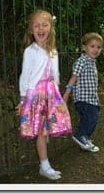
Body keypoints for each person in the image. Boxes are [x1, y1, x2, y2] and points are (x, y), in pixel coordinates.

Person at [16, 9, 72, 180]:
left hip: (51, 95)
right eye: (37, 25)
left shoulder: (53, 50)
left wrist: (58, 96)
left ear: (50, 28)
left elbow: (55, 74)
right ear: (31, 30)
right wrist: (23, 99)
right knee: (41, 131)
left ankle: (44, 160)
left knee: (47, 130)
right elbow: (25, 76)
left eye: (44, 25)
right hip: (36, 97)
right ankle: (44, 165)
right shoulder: (30, 51)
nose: (41, 28)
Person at [63, 32, 103, 153]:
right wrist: (66, 94)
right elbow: (74, 78)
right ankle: (80, 135)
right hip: (83, 99)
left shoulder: (92, 62)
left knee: (93, 118)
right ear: (84, 47)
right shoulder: (82, 61)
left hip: (92, 99)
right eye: (92, 46)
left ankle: (85, 138)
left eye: (98, 47)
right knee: (91, 118)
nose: (95, 49)